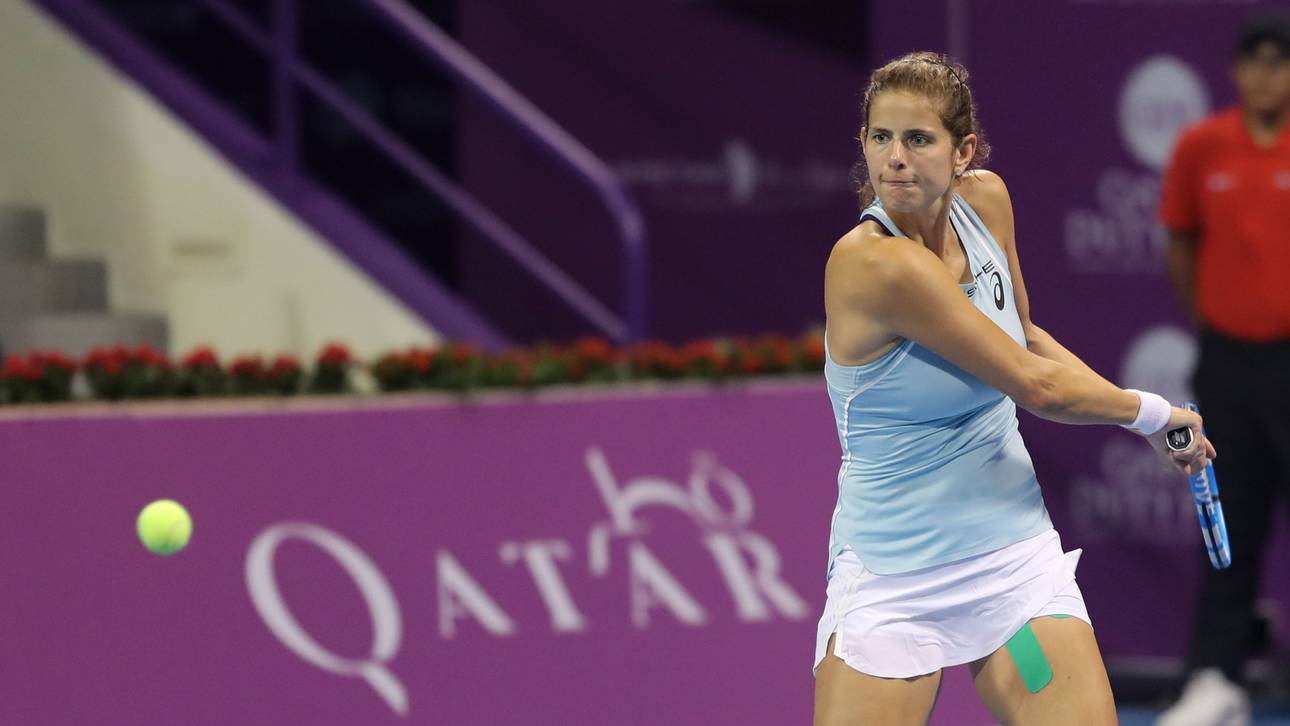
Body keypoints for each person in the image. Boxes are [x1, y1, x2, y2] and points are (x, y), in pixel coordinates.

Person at [812, 51, 1216, 726]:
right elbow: (1037, 389)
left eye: (918, 139)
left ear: (962, 149)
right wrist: (1152, 414)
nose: (895, 159)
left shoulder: (987, 203)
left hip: (1010, 569)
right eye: (880, 137)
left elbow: (1023, 338)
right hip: (893, 583)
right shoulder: (872, 265)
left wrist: (1143, 417)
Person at [1155, 11, 1290, 726]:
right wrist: (1219, 323)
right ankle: (1215, 678)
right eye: (1255, 61)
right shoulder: (1201, 147)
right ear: (1238, 71)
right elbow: (1181, 246)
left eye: (1280, 61)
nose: (1267, 74)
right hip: (1230, 365)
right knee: (1226, 518)